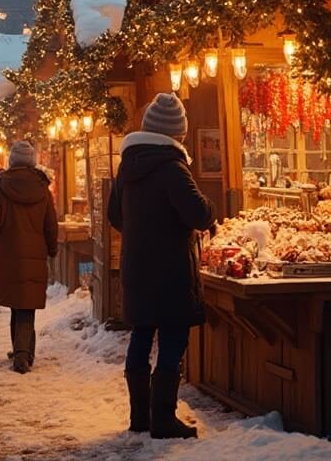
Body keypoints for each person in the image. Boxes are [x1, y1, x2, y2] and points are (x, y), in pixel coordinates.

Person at [108, 93, 213, 440]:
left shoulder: (128, 166)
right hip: (170, 271)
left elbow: (114, 215)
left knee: (141, 334)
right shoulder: (172, 167)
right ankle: (164, 418)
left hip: (136, 267)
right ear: (177, 133)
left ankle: (140, 416)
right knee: (172, 336)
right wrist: (209, 209)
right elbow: (199, 214)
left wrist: (141, 232)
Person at [0, 141, 58, 375]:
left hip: (7, 254)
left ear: (12, 161)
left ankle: (21, 353)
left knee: (17, 304)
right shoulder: (42, 189)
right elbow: (50, 224)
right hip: (34, 254)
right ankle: (23, 351)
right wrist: (52, 249)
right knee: (26, 306)